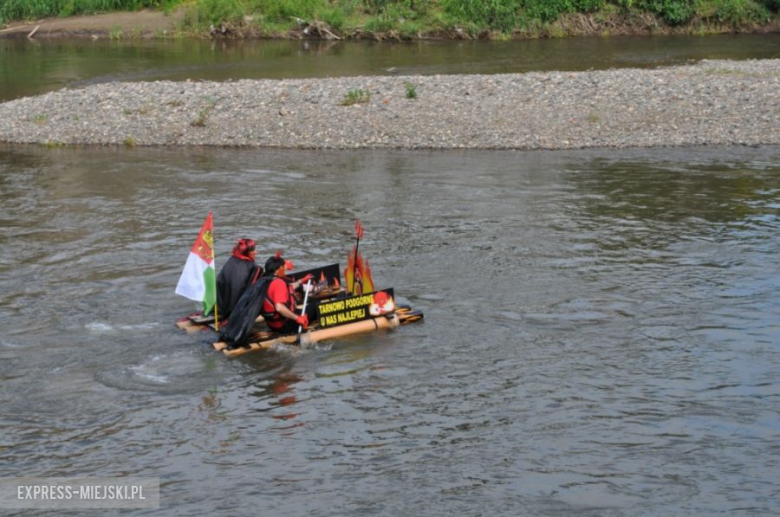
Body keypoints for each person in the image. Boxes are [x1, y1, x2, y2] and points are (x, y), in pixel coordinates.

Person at [261, 252, 315, 334]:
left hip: (272, 324)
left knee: (301, 309)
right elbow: (279, 307)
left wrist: (301, 281)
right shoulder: (279, 283)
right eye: (283, 267)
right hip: (285, 325)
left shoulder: (265, 281)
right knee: (315, 305)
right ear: (278, 269)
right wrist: (297, 318)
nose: (285, 269)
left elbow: (287, 288)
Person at [216, 238, 261, 321]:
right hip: (236, 310)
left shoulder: (231, 260)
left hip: (221, 307)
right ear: (248, 253)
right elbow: (251, 291)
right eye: (254, 250)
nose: (256, 252)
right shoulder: (253, 267)